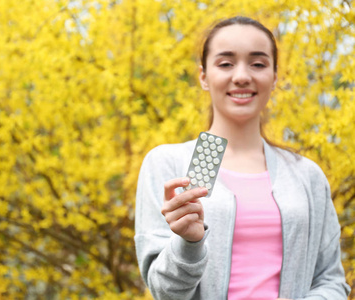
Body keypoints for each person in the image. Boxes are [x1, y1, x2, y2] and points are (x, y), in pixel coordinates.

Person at [134, 16, 350, 300]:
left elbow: (331, 281)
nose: (241, 76)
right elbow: (165, 293)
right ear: (203, 76)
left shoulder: (305, 175)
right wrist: (189, 243)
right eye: (225, 63)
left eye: (258, 64)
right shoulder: (172, 165)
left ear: (274, 77)